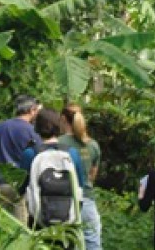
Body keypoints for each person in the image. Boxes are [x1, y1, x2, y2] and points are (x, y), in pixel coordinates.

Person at [0, 94, 42, 223]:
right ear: (32, 110)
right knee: (20, 230)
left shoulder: (0, 127)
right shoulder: (32, 131)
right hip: (20, 188)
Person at [21, 108, 85, 234]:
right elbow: (80, 185)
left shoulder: (30, 153)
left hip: (38, 221)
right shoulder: (72, 153)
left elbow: (22, 187)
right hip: (67, 221)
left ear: (37, 128)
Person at [59, 104, 102, 250]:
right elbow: (92, 175)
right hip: (87, 199)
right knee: (92, 242)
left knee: (67, 243)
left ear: (63, 119)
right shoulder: (93, 145)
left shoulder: (59, 143)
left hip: (64, 200)